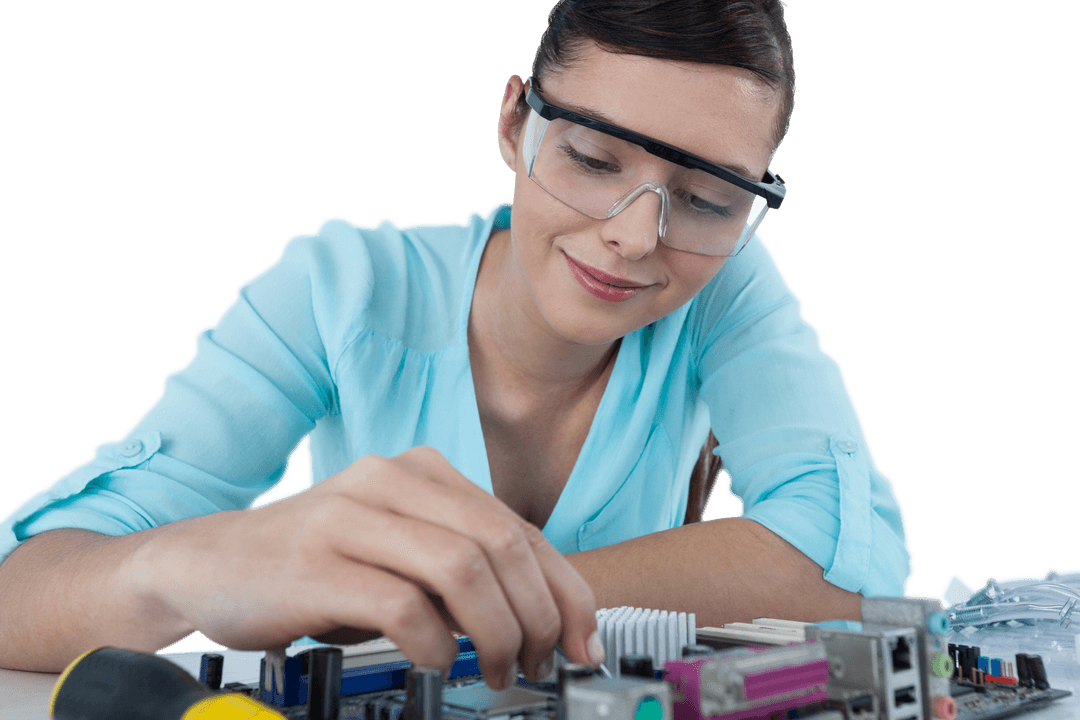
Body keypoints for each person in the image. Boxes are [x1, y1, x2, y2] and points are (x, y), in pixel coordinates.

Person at [0, 0, 912, 692]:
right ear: (517, 123)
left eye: (709, 199)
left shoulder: (725, 289)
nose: (638, 236)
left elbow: (850, 561)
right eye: (595, 160)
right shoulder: (340, 287)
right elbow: (19, 589)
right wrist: (195, 567)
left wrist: (464, 597)